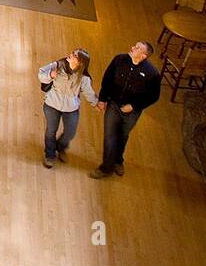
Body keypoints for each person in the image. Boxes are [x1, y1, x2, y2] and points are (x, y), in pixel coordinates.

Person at [90, 41, 161, 179]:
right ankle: (106, 168)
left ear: (144, 55)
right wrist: (103, 99)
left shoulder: (152, 74)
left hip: (132, 112)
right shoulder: (119, 60)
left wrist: (134, 106)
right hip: (114, 105)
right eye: (135, 45)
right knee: (110, 136)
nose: (133, 47)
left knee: (122, 136)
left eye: (138, 48)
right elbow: (107, 80)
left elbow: (153, 96)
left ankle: (118, 160)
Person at [37, 49, 98, 168]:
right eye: (72, 53)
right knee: (51, 131)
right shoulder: (58, 65)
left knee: (70, 132)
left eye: (74, 55)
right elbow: (40, 74)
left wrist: (96, 103)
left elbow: (88, 92)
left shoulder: (84, 78)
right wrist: (50, 75)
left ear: (80, 63)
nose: (70, 55)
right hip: (52, 105)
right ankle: (49, 155)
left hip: (71, 109)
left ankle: (60, 147)